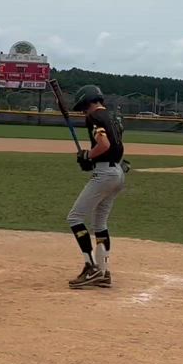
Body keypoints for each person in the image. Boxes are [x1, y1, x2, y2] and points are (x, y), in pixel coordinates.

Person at [65, 85, 125, 289]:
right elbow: (115, 146)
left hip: (105, 174)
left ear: (87, 102)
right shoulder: (112, 117)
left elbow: (104, 145)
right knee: (100, 223)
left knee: (75, 218)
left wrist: (88, 156)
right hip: (118, 172)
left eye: (83, 107)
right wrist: (93, 159)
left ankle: (91, 267)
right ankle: (103, 271)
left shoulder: (94, 117)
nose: (84, 112)